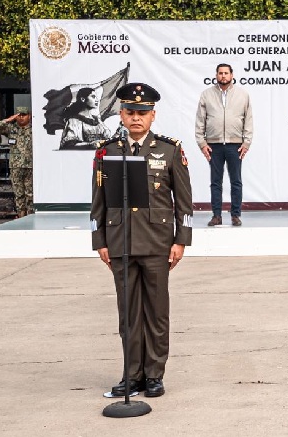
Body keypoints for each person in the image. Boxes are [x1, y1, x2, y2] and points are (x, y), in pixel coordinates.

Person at [91, 82, 193, 398]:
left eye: (143, 113)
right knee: (128, 315)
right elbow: (98, 200)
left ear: (153, 115)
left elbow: (184, 202)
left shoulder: (169, 150)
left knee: (157, 313)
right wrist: (100, 241)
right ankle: (132, 375)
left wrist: (181, 241)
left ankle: (154, 375)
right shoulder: (107, 151)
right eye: (131, 112)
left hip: (157, 243)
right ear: (121, 115)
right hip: (120, 242)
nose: (136, 118)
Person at [195, 63, 253, 227]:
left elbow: (248, 120)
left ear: (232, 75)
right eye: (220, 73)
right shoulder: (206, 95)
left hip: (235, 145)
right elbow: (200, 120)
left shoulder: (242, 95)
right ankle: (216, 216)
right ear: (216, 75)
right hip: (214, 145)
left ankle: (235, 215)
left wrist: (246, 142)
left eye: (226, 73)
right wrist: (202, 143)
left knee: (236, 181)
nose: (223, 76)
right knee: (215, 182)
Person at [0, 106, 33, 217]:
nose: (21, 117)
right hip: (16, 166)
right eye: (19, 115)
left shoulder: (33, 129)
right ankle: (21, 216)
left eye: (24, 115)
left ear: (29, 116)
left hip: (30, 166)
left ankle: (31, 216)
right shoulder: (11, 128)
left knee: (30, 195)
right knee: (19, 194)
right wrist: (8, 119)